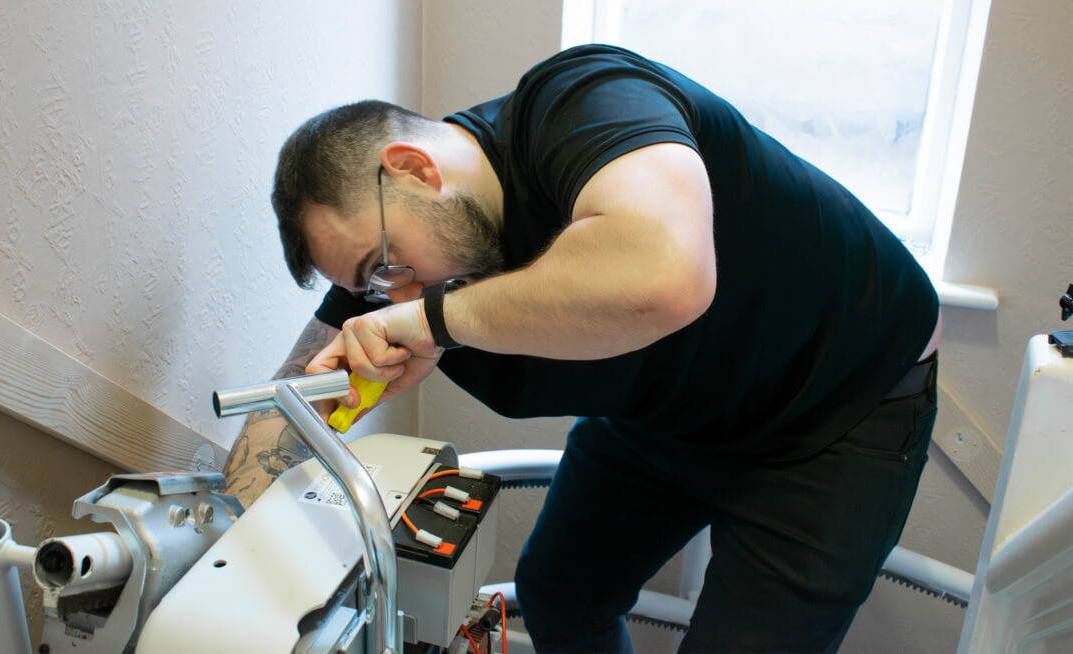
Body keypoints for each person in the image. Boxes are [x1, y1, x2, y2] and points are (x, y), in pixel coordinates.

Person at [222, 44, 942, 653]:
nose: (392, 296)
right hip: (670, 413)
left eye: (387, 268)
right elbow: (286, 406)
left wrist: (435, 322)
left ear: (414, 169)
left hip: (835, 410)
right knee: (559, 592)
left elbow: (665, 279)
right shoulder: (395, 276)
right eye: (371, 288)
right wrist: (224, 556)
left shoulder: (587, 99)